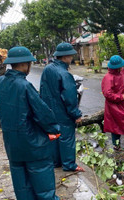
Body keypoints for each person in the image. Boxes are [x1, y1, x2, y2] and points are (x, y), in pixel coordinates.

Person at [0, 46, 60, 200]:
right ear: (25, 64)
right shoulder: (24, 86)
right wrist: (54, 129)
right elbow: (42, 113)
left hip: (12, 145)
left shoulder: (0, 82)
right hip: (33, 145)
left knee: (22, 188)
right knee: (44, 189)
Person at [40, 42, 84, 172]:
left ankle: (56, 162)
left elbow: (42, 90)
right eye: (71, 56)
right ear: (65, 57)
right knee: (67, 138)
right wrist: (76, 114)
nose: (71, 59)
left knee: (54, 136)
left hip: (49, 110)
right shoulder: (65, 74)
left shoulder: (47, 69)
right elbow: (70, 97)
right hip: (63, 112)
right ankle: (69, 164)